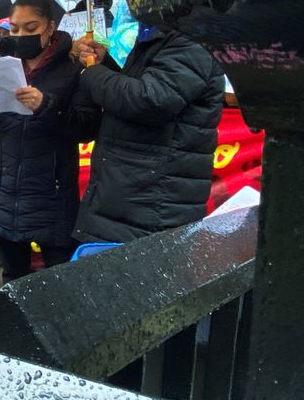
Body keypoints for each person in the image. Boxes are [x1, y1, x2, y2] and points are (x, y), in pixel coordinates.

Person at [71, 21, 225, 243]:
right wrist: (107, 64)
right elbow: (140, 86)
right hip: (132, 193)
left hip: (153, 201)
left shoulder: (191, 40)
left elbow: (149, 100)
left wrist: (94, 73)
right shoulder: (159, 37)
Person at [0, 0, 89, 283]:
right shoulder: (1, 65)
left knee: (56, 283)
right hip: (5, 190)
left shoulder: (73, 70)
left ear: (50, 28)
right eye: (15, 28)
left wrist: (46, 105)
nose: (21, 35)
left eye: (31, 28)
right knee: (13, 277)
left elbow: (86, 128)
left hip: (50, 193)